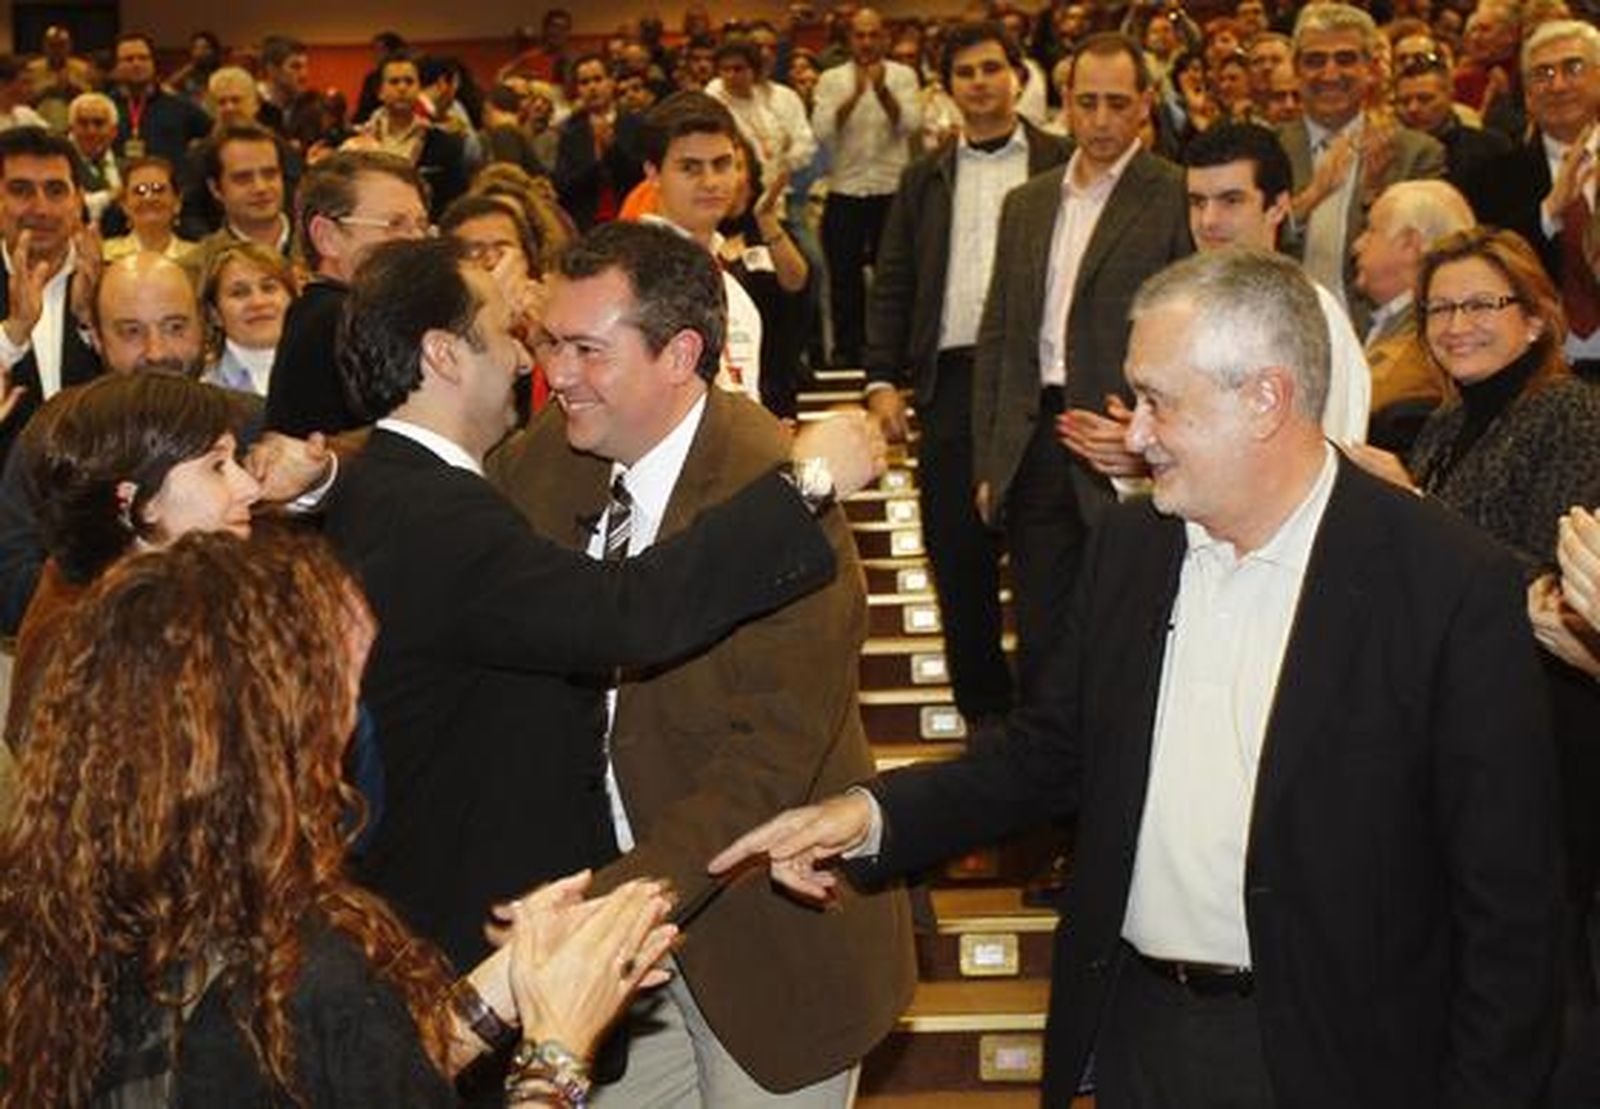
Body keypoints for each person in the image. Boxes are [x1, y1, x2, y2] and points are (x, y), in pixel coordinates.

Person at [713, 247, 1564, 1107]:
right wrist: (869, 814)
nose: (1137, 432)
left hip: (1342, 1057)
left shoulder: (1445, 581)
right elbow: (1049, 754)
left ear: (1265, 398)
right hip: (1140, 1035)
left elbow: (1510, 908)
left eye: (1159, 401)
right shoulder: (1133, 546)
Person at [321, 235, 883, 971]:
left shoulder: (421, 484)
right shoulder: (442, 508)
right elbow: (626, 615)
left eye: (582, 347)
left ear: (678, 356)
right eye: (521, 337)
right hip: (488, 928)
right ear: (444, 355)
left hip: (724, 945)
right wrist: (810, 484)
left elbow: (768, 753)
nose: (540, 368)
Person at [0, 527, 677, 1107]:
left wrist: (509, 982)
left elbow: (346, 1075)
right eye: (338, 697)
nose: (351, 727)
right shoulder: (308, 975)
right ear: (271, 742)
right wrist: (557, 1044)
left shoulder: (77, 927)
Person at [492, 215, 913, 1109]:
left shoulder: (785, 505)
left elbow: (763, 770)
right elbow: (439, 484)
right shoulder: (552, 456)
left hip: (767, 948)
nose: (557, 374)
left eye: (585, 349)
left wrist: (606, 910)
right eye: (549, 345)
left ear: (679, 354)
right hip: (623, 947)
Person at [971, 31, 1191, 702]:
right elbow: (1001, 336)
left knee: (1130, 627)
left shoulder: (1175, 194)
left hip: (1129, 441)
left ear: (1145, 104)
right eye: (1087, 102)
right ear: (1063, 101)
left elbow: (1189, 335)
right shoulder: (1027, 203)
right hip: (1036, 435)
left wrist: (1158, 440)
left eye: (1117, 103)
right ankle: (1050, 793)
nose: (1100, 120)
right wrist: (990, 460)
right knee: (1041, 633)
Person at [866, 20, 1072, 729]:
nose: (980, 83)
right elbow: (893, 281)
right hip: (951, 382)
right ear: (948, 89)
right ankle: (985, 727)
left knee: (1048, 559)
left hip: (1043, 381)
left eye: (992, 68)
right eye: (965, 73)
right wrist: (881, 378)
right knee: (957, 558)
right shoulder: (925, 178)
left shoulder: (1065, 163)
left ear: (1019, 75)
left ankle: (1050, 724)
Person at [4, 373, 261, 745]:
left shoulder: (202, 590)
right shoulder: (90, 653)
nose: (250, 488)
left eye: (236, 460)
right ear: (134, 501)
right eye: (217, 467)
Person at [1279, 2, 1444, 327]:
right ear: (1296, 70)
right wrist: (1308, 201)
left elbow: (1426, 262)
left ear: (1371, 68)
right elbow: (1247, 248)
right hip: (1285, 331)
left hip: (1381, 335)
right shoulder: (1269, 150)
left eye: (1345, 59)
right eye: (1314, 61)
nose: (1330, 74)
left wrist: (1373, 196)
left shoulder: (1414, 154)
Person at [264, 150, 431, 437]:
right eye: (395, 225)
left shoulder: (323, 311)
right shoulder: (340, 318)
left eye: (421, 225)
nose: (417, 241)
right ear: (327, 237)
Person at [1467, 20, 1600, 371]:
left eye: (1573, 68)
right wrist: (1549, 212)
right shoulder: (1493, 176)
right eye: (1542, 74)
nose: (1557, 84)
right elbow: (1484, 268)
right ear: (1527, 96)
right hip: (1538, 368)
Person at [811, 8, 921, 368]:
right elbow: (821, 131)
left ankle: (895, 352)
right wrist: (856, 94)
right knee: (844, 278)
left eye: (874, 35)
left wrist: (883, 92)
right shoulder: (831, 79)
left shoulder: (904, 75)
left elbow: (911, 124)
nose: (868, 42)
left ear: (884, 38)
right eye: (860, 35)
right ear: (849, 39)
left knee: (893, 278)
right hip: (845, 188)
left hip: (891, 190)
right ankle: (848, 351)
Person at [0, 127, 103, 466]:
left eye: (56, 190)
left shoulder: (113, 283)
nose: (40, 208)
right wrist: (12, 334)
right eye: (21, 190)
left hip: (100, 497)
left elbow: (152, 393)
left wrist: (93, 323)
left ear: (78, 201)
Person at [1351, 179, 1475, 452]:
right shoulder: (1367, 318)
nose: (1357, 245)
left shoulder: (1430, 336)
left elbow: (1357, 407)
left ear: (1410, 244)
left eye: (1370, 231)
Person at [554, 54, 647, 231]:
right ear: (577, 89)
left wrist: (612, 149)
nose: (592, 87)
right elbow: (563, 188)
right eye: (584, 82)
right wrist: (595, 162)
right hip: (587, 225)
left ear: (611, 82)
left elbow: (643, 178)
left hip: (632, 219)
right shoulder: (569, 132)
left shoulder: (636, 124)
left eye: (598, 79)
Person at [198, 240, 294, 397]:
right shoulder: (203, 391)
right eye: (239, 293)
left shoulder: (332, 369)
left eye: (268, 288)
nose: (258, 302)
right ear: (214, 314)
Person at [102, 157, 194, 263]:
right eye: (139, 191)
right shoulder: (104, 256)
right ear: (124, 205)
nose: (149, 198)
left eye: (158, 189)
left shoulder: (199, 257)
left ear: (177, 202)